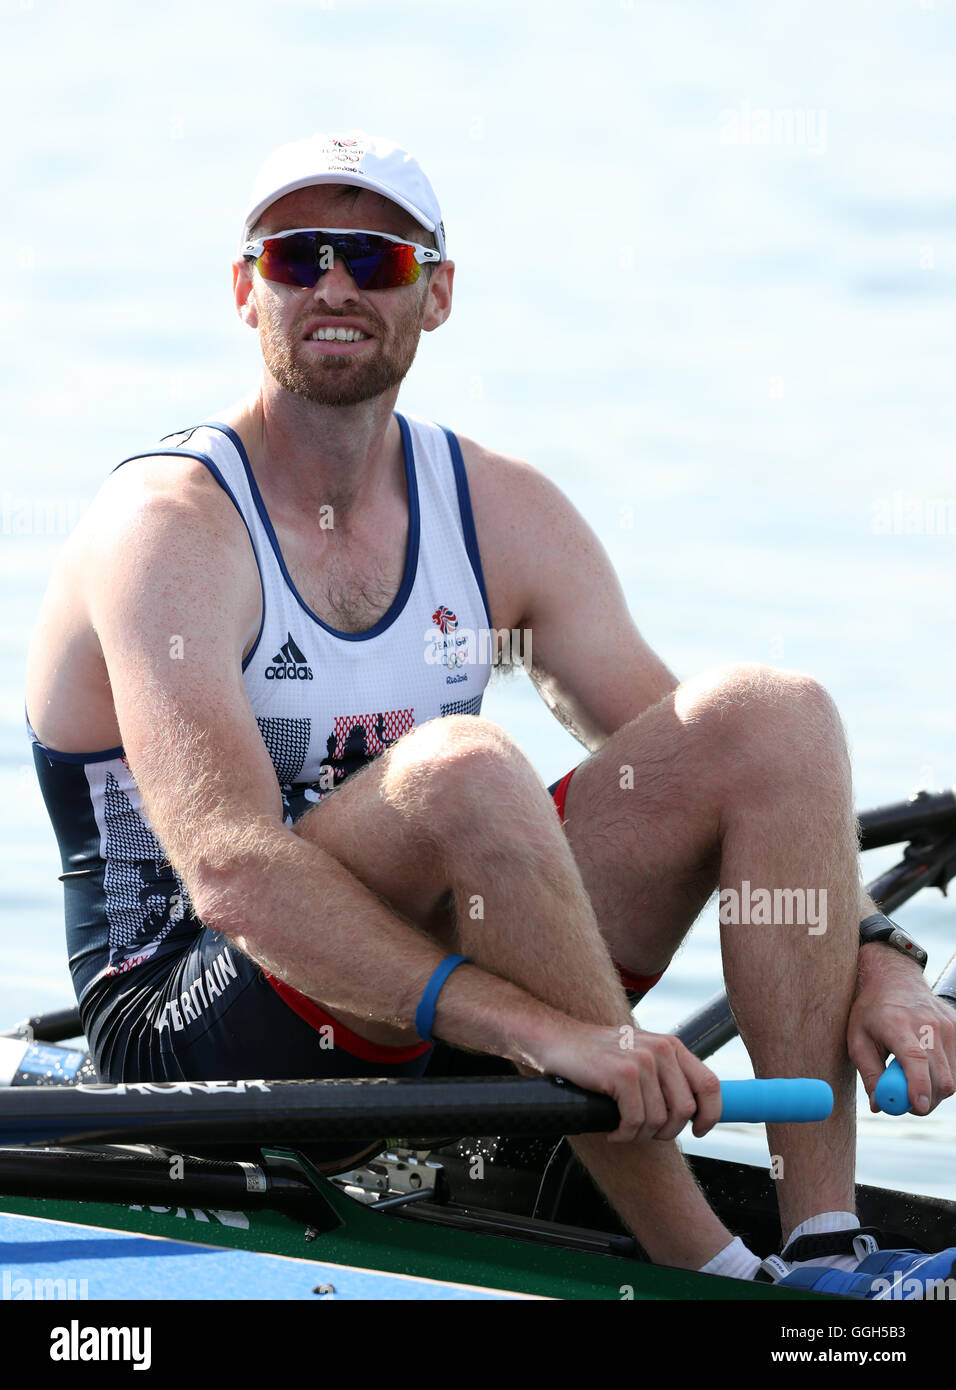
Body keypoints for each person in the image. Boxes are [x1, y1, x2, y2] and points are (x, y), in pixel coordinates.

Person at [25, 131, 956, 1298]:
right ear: (242, 289)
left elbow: (729, 779)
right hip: (194, 1013)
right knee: (460, 768)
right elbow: (231, 871)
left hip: (439, 1008)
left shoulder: (500, 510)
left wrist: (877, 959)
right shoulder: (170, 526)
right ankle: (714, 1272)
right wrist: (546, 1034)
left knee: (770, 715)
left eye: (374, 259)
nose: (332, 286)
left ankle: (826, 1248)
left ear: (437, 292)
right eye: (295, 256)